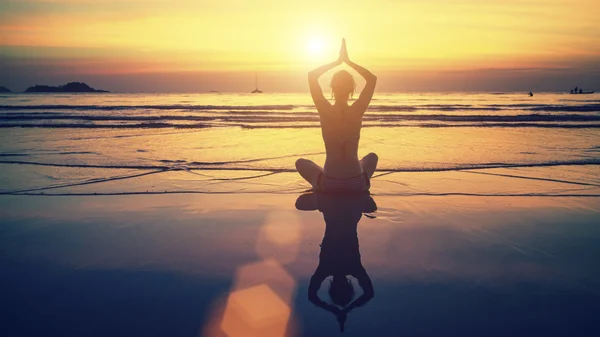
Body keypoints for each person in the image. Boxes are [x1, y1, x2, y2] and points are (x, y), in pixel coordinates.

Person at [296, 39, 378, 193]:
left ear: (332, 88)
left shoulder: (324, 109)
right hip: (356, 183)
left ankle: (320, 182)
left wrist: (337, 61)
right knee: (372, 157)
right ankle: (363, 182)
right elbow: (372, 79)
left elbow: (312, 75)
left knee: (301, 163)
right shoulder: (357, 110)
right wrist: (348, 62)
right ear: (352, 90)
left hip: (331, 182)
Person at [295, 192, 376, 332]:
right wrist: (335, 310)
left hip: (350, 206)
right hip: (331, 205)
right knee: (370, 206)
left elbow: (369, 294)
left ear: (350, 288)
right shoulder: (326, 269)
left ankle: (331, 188)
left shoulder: (354, 268)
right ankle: (333, 189)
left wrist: (345, 310)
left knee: (371, 207)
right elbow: (312, 296)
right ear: (331, 289)